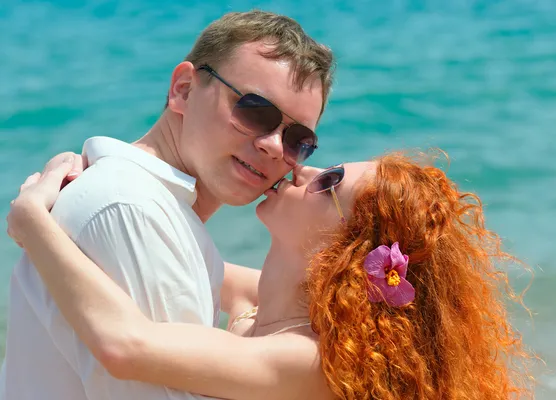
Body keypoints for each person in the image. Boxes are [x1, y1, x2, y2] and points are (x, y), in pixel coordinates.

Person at [7, 151, 535, 399]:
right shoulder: (268, 310)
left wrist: (31, 219)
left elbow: (123, 347)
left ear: (347, 248)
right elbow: (181, 253)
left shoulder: (307, 358)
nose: (301, 171)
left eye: (328, 182)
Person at [0, 10, 334, 400]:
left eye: (297, 139)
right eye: (255, 111)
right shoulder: (133, 210)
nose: (274, 146)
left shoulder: (156, 211)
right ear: (184, 89)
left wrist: (30, 219)